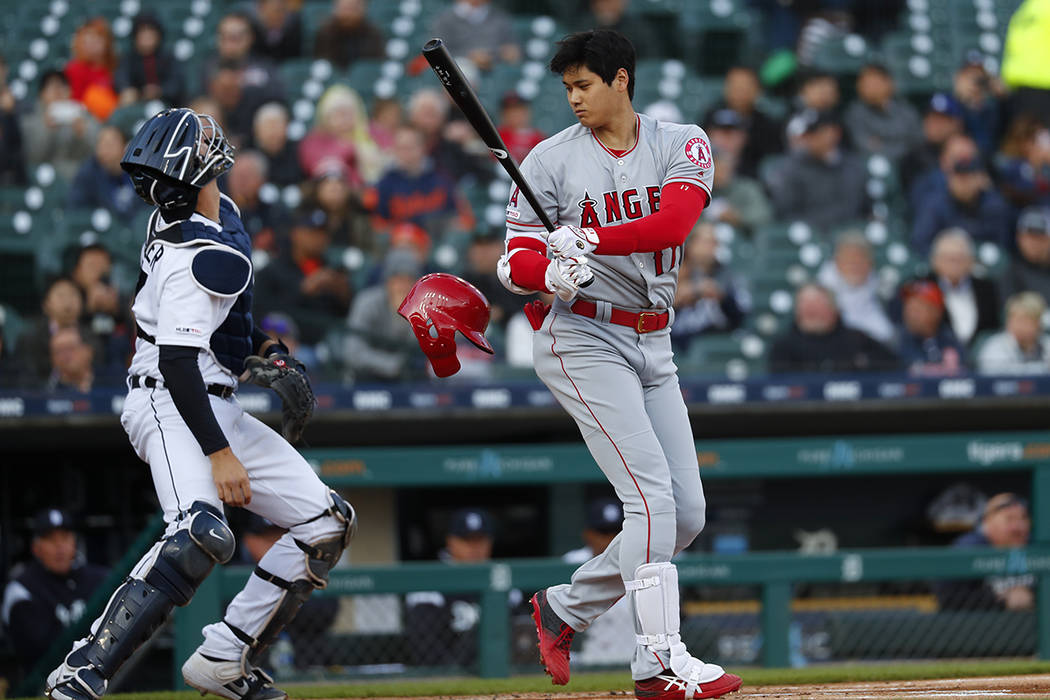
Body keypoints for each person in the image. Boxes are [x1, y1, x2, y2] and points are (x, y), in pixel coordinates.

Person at [44, 108, 357, 700]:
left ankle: (224, 657)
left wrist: (270, 349)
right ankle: (81, 673)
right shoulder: (191, 250)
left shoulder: (222, 221)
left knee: (325, 523)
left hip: (213, 398)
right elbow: (177, 362)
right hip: (169, 400)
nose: (218, 144)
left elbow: (230, 321)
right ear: (195, 167)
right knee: (201, 533)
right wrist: (219, 455)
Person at [497, 29, 741, 698]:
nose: (574, 98)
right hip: (582, 336)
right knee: (651, 500)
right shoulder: (547, 161)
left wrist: (590, 239)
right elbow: (510, 261)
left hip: (654, 339)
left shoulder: (681, 141)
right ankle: (657, 661)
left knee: (685, 513)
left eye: (585, 84)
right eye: (567, 87)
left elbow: (673, 224)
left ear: (622, 80)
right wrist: (552, 271)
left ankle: (564, 609)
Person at [2, 509, 108, 676]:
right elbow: (37, 649)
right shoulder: (22, 589)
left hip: (105, 679)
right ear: (36, 548)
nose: (60, 547)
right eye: (50, 540)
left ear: (74, 542)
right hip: (44, 685)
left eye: (65, 538)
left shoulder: (101, 579)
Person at [404, 507, 497, 667]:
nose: (475, 547)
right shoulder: (428, 582)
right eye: (467, 540)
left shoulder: (501, 581)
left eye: (480, 540)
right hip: (445, 673)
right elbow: (425, 647)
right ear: (450, 541)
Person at [254, 208, 352, 346]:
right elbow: (260, 314)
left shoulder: (334, 270)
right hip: (287, 345)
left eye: (323, 233)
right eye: (312, 232)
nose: (319, 238)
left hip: (328, 347)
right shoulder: (272, 271)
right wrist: (303, 290)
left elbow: (344, 318)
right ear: (295, 234)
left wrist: (344, 295)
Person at [768, 109, 868, 234]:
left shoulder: (854, 167)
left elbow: (862, 207)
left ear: (836, 133)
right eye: (808, 134)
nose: (811, 138)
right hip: (809, 236)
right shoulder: (789, 169)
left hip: (850, 235)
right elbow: (786, 213)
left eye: (818, 132)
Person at [562, 498, 635, 668]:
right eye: (603, 532)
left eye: (616, 532)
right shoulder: (571, 563)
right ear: (588, 534)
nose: (610, 539)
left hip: (635, 657)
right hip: (585, 660)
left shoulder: (640, 562)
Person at [910, 138, 1014, 256]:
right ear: (950, 179)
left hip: (981, 267)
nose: (963, 184)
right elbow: (920, 243)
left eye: (969, 178)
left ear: (980, 179)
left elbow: (1001, 248)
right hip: (944, 265)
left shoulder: (994, 205)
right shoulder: (935, 203)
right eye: (959, 178)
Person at [768, 283, 898, 374]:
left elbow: (893, 366)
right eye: (805, 306)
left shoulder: (858, 340)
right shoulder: (783, 347)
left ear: (834, 309)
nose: (810, 311)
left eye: (816, 305)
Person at [934, 493, 1034, 611]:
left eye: (1023, 518)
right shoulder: (969, 548)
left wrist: (1033, 595)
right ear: (988, 522)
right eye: (1009, 519)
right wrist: (1002, 600)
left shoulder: (1036, 545)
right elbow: (948, 599)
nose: (1018, 527)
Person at [373, 125, 466, 237]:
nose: (405, 153)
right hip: (403, 242)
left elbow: (457, 217)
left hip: (440, 237)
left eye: (410, 147)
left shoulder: (441, 177)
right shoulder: (385, 183)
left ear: (422, 147)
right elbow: (380, 227)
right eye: (400, 148)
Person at [345, 248, 421, 381]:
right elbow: (353, 352)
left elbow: (421, 350)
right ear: (387, 281)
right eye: (398, 279)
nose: (403, 286)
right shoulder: (367, 302)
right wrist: (391, 365)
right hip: (365, 379)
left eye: (408, 280)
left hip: (408, 380)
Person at [671, 223, 750, 348]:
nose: (710, 246)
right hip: (676, 343)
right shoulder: (675, 272)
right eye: (704, 241)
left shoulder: (728, 277)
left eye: (714, 242)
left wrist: (722, 297)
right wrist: (679, 297)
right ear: (690, 245)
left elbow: (741, 316)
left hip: (717, 343)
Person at [702, 66, 782, 179]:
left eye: (744, 86)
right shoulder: (711, 116)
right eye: (734, 85)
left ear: (757, 90)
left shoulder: (766, 125)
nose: (738, 90)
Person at [924, 229, 1000, 348]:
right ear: (935, 261)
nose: (954, 264)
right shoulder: (923, 288)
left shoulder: (987, 289)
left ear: (971, 261)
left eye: (960, 258)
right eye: (949, 258)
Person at [816, 231, 895, 346]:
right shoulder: (820, 292)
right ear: (837, 262)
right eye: (848, 259)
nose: (854, 264)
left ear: (870, 263)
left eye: (860, 259)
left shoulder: (882, 290)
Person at [21, 70, 100, 182]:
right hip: (44, 178)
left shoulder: (83, 115)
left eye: (62, 85)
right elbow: (33, 158)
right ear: (41, 94)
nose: (57, 91)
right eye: (51, 87)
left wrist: (83, 132)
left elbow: (99, 153)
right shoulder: (30, 121)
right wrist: (46, 129)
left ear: (70, 91)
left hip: (78, 175)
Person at [298, 85, 381, 186]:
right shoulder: (314, 141)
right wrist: (348, 149)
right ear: (326, 117)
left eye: (348, 114)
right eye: (338, 114)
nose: (343, 120)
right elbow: (314, 167)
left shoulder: (371, 135)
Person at [16, 277, 90, 383]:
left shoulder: (92, 337)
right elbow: (25, 378)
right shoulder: (30, 338)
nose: (67, 301)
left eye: (72, 295)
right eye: (61, 296)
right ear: (46, 304)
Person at [843, 62, 922, 161]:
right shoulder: (854, 113)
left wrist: (882, 145)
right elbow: (864, 146)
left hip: (907, 166)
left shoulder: (906, 111)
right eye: (863, 82)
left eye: (872, 82)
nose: (865, 86)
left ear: (888, 83)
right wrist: (900, 145)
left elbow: (916, 144)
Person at [222, 149, 290, 254]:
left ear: (262, 179)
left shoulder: (274, 212)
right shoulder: (218, 211)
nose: (240, 183)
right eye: (236, 176)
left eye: (246, 177)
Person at [895, 279, 967, 376]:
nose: (910, 314)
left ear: (936, 312)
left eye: (917, 309)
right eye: (908, 307)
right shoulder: (896, 342)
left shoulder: (950, 339)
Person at [899, 93, 966, 196]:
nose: (933, 124)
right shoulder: (913, 157)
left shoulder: (969, 151)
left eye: (941, 120)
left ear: (957, 124)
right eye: (930, 118)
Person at [67, 125, 140, 218]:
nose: (104, 150)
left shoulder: (139, 170)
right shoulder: (88, 173)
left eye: (110, 144)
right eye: (101, 144)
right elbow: (75, 210)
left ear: (125, 147)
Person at [114, 13, 185, 107]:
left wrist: (159, 91)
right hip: (137, 103)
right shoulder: (128, 58)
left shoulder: (168, 57)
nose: (147, 38)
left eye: (151, 34)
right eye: (142, 33)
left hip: (167, 104)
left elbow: (176, 85)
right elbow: (121, 80)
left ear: (158, 36)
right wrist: (136, 92)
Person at [428, 0, 521, 72]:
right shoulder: (445, 19)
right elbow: (438, 53)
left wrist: (508, 53)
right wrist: (469, 57)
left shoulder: (500, 18)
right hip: (460, 70)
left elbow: (512, 50)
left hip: (495, 69)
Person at [702, 144, 772, 236]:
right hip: (705, 242)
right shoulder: (699, 191)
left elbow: (763, 214)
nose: (722, 173)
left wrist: (736, 216)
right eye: (718, 167)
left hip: (744, 241)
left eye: (725, 168)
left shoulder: (747, 188)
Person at [977, 292, 1050, 375]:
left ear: (1039, 323)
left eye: (1026, 320)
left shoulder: (1047, 344)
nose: (1020, 326)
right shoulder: (994, 347)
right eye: (1017, 320)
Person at [64, 17, 119, 121]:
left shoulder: (117, 66)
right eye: (85, 41)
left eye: (95, 39)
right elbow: (74, 103)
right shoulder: (74, 69)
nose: (90, 45)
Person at [996, 113, 1050, 210]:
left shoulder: (1046, 164)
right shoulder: (1010, 164)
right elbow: (1022, 193)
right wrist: (1035, 166)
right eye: (1034, 140)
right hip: (1024, 214)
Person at [312, 0, 385, 71]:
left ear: (362, 8)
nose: (347, 13)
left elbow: (374, 65)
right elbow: (322, 64)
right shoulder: (325, 32)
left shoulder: (373, 33)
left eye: (352, 8)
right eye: (344, 8)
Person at [250, 103, 302, 188]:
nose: (273, 132)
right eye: (268, 126)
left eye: (277, 125)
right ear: (256, 130)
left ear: (286, 128)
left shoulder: (299, 153)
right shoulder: (249, 157)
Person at [1004, 206, 1050, 301]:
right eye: (1028, 237)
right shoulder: (1011, 273)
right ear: (1018, 239)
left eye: (1039, 238)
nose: (1033, 243)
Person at [497, 92, 545, 164]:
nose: (514, 114)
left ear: (527, 112)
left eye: (518, 110)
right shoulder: (496, 134)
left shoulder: (538, 138)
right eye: (510, 110)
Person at [0, 52, 26, 185]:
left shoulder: (20, 104)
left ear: (5, 70)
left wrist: (10, 113)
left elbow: (20, 143)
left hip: (11, 172)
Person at [46, 325, 96, 392]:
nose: (65, 356)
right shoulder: (48, 392)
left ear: (88, 351)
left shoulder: (109, 382)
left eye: (71, 349)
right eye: (58, 352)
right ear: (53, 360)